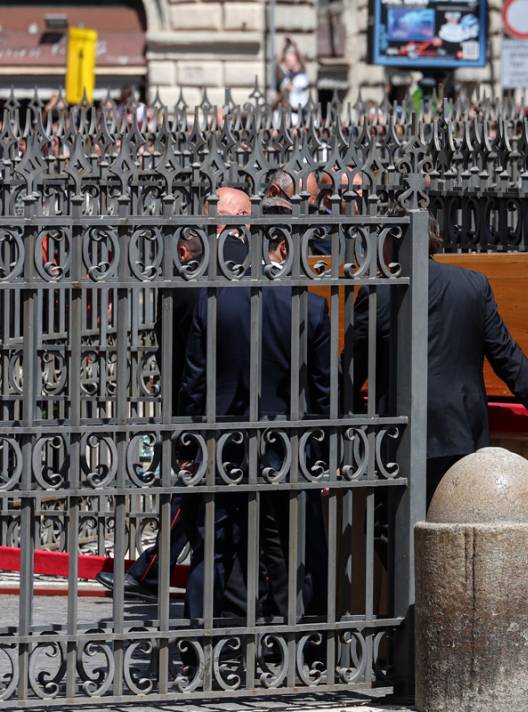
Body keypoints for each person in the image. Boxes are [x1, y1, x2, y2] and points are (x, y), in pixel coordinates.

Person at [350, 216, 528, 507]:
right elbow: (507, 357)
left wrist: (336, 450)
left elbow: (350, 373)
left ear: (389, 241)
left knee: (393, 534)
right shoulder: (472, 286)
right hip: (460, 432)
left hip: (397, 437)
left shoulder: (378, 293)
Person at [180, 189, 330, 626]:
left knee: (216, 543)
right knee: (285, 546)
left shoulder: (215, 299)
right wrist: (320, 457)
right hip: (286, 445)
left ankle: (204, 642)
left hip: (223, 441)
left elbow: (195, 379)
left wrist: (188, 446)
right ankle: (292, 640)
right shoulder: (312, 307)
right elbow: (322, 394)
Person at [95, 230, 206, 601]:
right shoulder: (202, 285)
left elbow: (185, 357)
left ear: (181, 251)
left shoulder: (187, 287)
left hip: (195, 406)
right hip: (209, 405)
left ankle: (151, 571)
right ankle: (152, 571)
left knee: (189, 496)